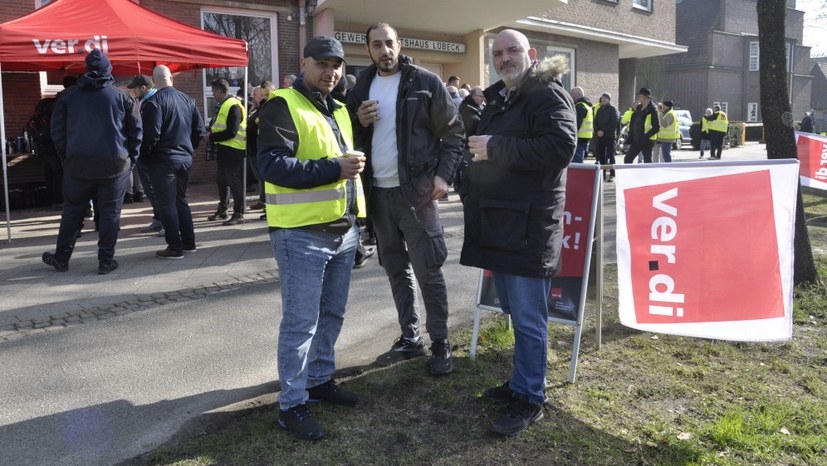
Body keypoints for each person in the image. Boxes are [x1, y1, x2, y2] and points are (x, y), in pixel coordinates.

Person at [462, 29, 576, 436]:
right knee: (514, 312)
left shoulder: (547, 93)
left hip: (529, 227)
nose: (504, 58)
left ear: (531, 54)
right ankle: (519, 383)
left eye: (512, 50)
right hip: (503, 223)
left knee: (530, 320)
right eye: (497, 53)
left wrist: (495, 147)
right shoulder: (506, 95)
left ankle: (531, 397)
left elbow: (561, 148)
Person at [257, 36, 366, 440]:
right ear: (304, 63)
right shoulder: (283, 104)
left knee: (332, 315)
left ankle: (319, 380)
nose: (330, 72)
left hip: (342, 230)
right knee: (301, 323)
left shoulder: (338, 107)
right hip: (300, 233)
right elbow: (271, 165)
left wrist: (357, 221)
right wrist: (332, 169)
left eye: (336, 65)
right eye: (322, 63)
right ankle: (292, 404)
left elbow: (347, 167)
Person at [346, 23, 464, 375]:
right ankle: (410, 336)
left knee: (429, 269)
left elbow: (454, 133)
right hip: (378, 195)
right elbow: (346, 137)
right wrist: (357, 121)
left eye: (389, 43)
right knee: (395, 269)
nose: (384, 50)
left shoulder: (425, 82)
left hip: (417, 195)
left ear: (401, 45)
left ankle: (440, 341)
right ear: (368, 50)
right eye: (376, 45)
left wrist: (443, 175)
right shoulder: (360, 87)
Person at [42, 49, 142, 275]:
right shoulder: (123, 97)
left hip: (78, 165)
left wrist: (66, 158)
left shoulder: (68, 97)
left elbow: (57, 133)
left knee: (73, 212)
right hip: (114, 165)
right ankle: (105, 260)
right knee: (109, 213)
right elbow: (136, 132)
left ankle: (62, 257)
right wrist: (131, 160)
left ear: (87, 69)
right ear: (108, 70)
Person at [139, 65, 206, 260]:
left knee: (166, 204)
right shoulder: (189, 100)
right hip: (184, 158)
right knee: (180, 200)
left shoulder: (154, 103)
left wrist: (145, 155)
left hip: (163, 160)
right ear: (171, 78)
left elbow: (151, 135)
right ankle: (189, 242)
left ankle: (174, 247)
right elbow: (199, 132)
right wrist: (188, 149)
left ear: (153, 82)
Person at [126, 74, 165, 236]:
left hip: (152, 156)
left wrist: (146, 153)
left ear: (144, 87)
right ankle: (158, 218)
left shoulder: (153, 103)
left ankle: (165, 221)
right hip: (146, 154)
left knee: (157, 190)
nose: (133, 91)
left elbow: (153, 132)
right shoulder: (144, 102)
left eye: (135, 88)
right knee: (150, 190)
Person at [207, 78, 247, 225]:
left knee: (234, 182)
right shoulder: (224, 104)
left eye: (213, 91)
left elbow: (232, 131)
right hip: (224, 149)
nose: (212, 94)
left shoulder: (233, 106)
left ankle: (239, 213)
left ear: (218, 91)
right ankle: (223, 209)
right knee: (222, 181)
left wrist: (212, 136)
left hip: (233, 150)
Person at [246, 81, 276, 215]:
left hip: (261, 147)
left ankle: (268, 206)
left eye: (256, 94)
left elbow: (259, 125)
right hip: (253, 147)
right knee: (260, 177)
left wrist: (251, 125)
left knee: (265, 178)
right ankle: (263, 201)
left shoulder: (268, 107)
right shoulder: (256, 107)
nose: (254, 96)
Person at [455, 85, 485, 190]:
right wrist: (485, 119)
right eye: (481, 96)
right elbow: (473, 124)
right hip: (467, 145)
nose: (483, 99)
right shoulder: (467, 108)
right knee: (468, 171)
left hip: (473, 144)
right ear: (473, 96)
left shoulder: (477, 106)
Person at [623, 88, 659, 164]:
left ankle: (647, 176)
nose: (638, 97)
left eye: (640, 96)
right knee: (627, 159)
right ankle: (630, 175)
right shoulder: (639, 108)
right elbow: (634, 121)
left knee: (647, 162)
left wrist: (646, 136)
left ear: (646, 97)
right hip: (636, 140)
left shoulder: (653, 110)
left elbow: (656, 128)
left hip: (647, 141)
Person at [593, 92, 619, 181]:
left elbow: (614, 123)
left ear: (609, 100)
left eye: (605, 98)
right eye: (602, 98)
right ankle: (602, 174)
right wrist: (597, 131)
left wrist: (603, 131)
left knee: (611, 156)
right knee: (601, 156)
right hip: (600, 137)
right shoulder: (599, 110)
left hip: (609, 136)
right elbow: (595, 122)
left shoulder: (612, 109)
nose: (603, 99)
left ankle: (612, 174)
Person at [569, 86, 592, 163]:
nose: (570, 95)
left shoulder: (580, 106)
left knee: (576, 162)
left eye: (572, 94)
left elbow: (576, 123)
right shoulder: (587, 105)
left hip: (579, 137)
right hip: (585, 137)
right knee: (579, 160)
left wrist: (572, 135)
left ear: (579, 94)